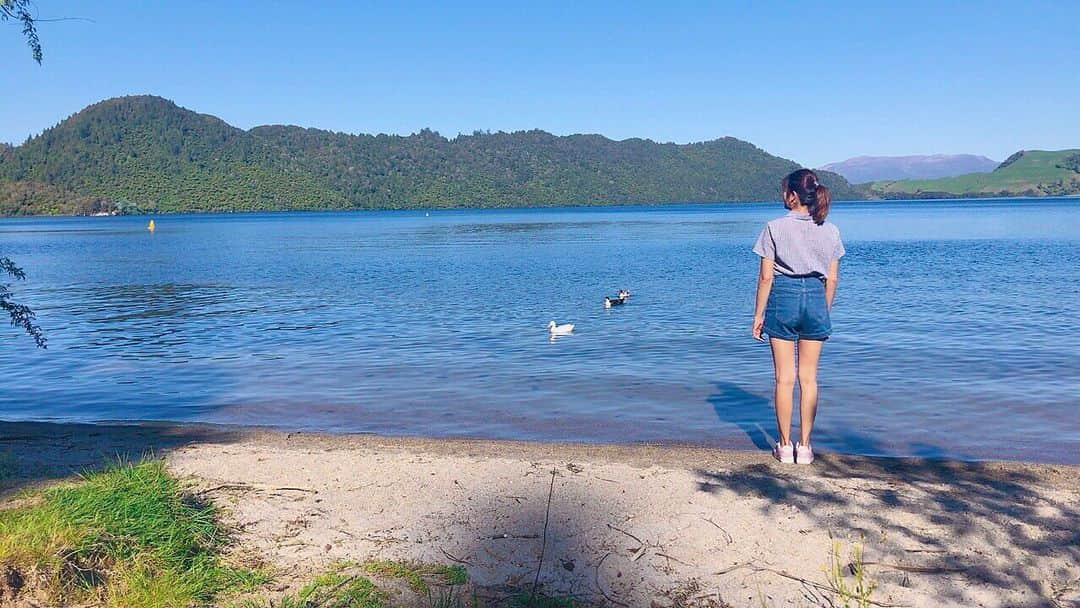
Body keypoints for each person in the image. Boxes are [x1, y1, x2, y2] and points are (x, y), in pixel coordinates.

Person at [751, 169, 845, 465]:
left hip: (784, 300)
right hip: (816, 299)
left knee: (784, 380)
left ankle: (783, 445)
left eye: (784, 191)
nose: (782, 196)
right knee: (809, 379)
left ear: (792, 195)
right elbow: (832, 279)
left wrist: (758, 315)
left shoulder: (774, 227)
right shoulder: (830, 230)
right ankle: (804, 447)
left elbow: (766, 277)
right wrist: (823, 309)